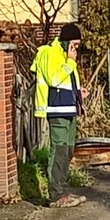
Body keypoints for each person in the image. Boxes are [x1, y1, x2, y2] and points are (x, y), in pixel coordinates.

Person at [32, 23, 88, 208]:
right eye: (74, 44)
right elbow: (54, 79)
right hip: (56, 110)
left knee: (68, 151)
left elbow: (67, 82)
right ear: (65, 42)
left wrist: (79, 93)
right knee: (59, 151)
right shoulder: (48, 53)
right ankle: (56, 195)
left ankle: (63, 190)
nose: (76, 49)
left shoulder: (67, 57)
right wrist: (70, 62)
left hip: (69, 108)